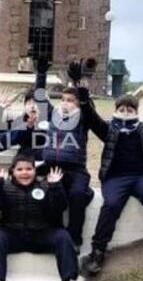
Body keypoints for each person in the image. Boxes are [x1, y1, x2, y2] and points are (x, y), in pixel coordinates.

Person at [80, 84, 143, 277]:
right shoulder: (108, 130)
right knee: (110, 205)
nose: (125, 112)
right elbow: (91, 117)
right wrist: (84, 98)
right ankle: (98, 250)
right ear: (116, 110)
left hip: (141, 177)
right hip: (115, 178)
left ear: (136, 111)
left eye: (129, 109)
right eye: (121, 109)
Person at [0, 156, 90, 281]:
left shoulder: (45, 186)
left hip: (41, 234)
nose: (24, 173)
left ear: (35, 171)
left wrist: (55, 186)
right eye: (20, 169)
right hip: (13, 234)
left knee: (62, 236)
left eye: (29, 169)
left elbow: (59, 208)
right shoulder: (5, 186)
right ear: (12, 171)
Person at [31, 59, 95, 249]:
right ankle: (55, 234)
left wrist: (77, 81)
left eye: (71, 100)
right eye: (63, 100)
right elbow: (41, 98)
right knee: (49, 194)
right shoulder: (53, 116)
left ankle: (75, 239)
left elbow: (88, 105)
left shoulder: (83, 118)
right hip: (52, 168)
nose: (66, 103)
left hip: (76, 169)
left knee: (77, 195)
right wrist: (41, 75)